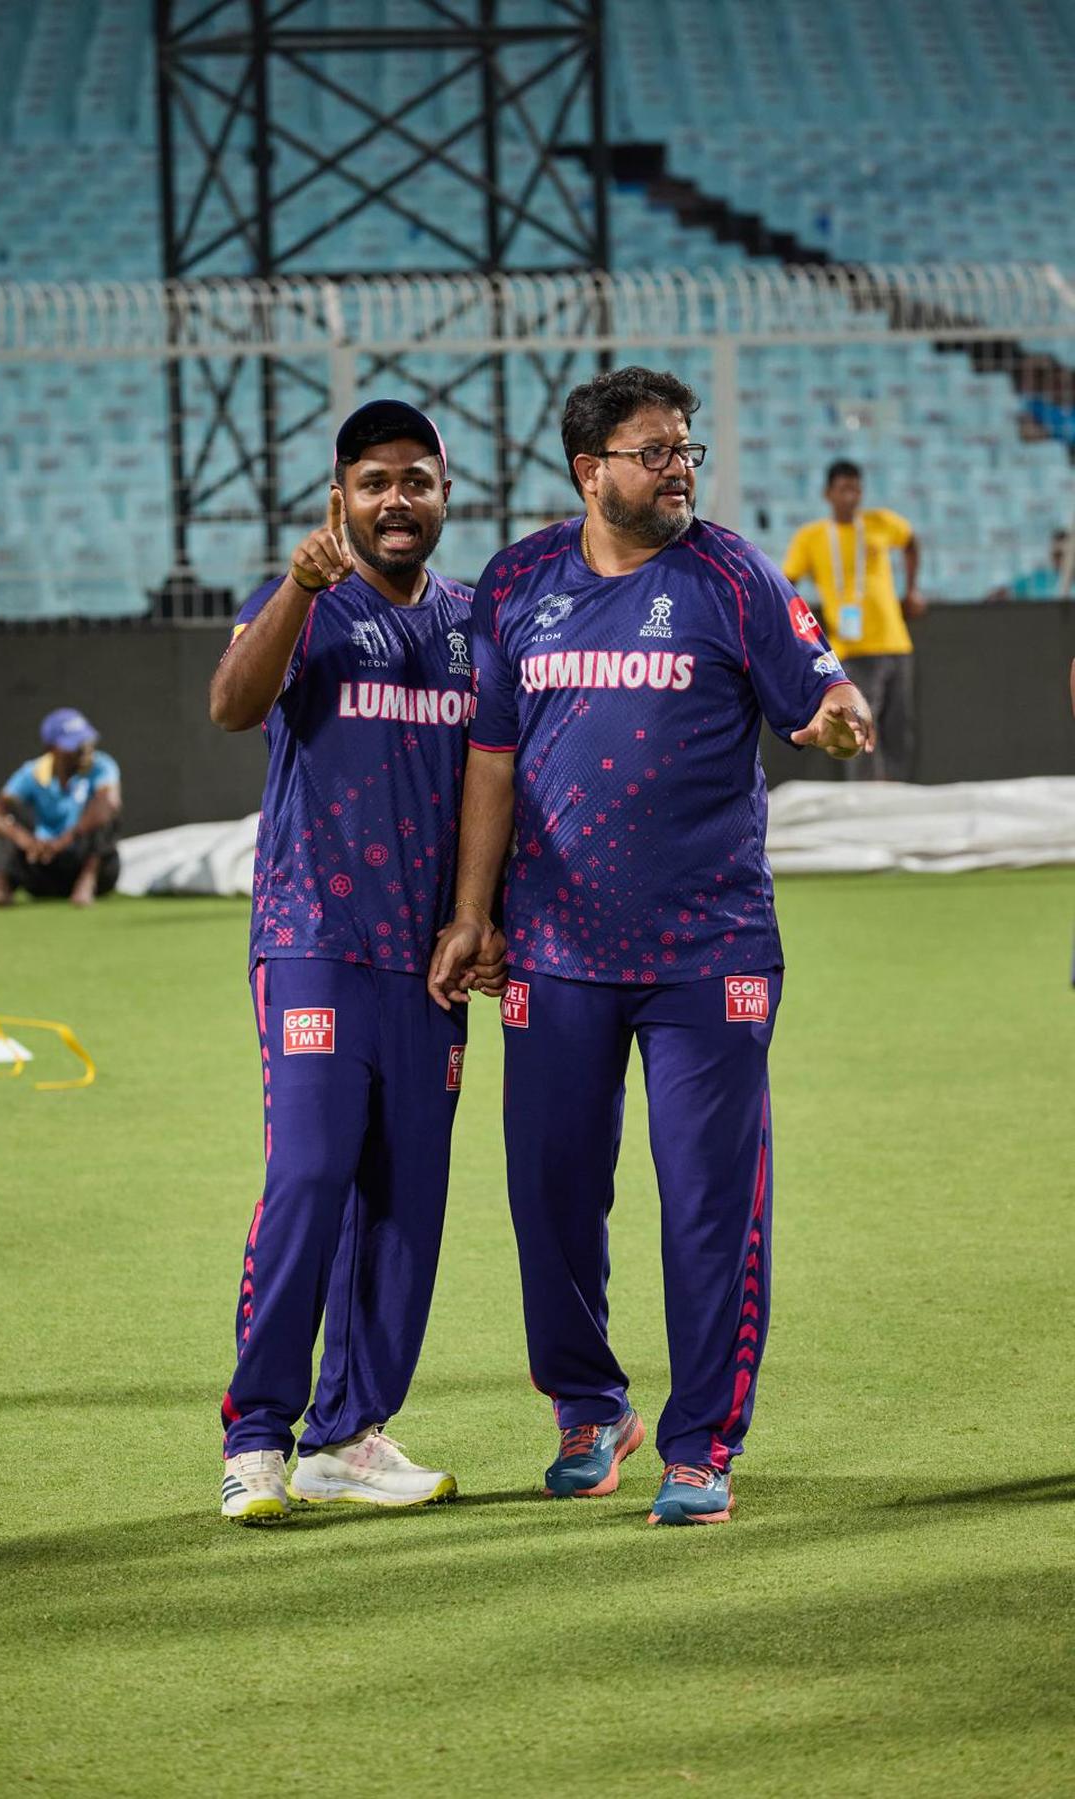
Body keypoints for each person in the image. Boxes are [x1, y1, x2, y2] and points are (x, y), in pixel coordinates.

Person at [428, 366, 873, 1527]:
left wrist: (834, 718)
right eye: (654, 451)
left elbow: (816, 688)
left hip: (707, 952)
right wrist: (473, 913)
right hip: (555, 953)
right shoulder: (519, 581)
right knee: (552, 1196)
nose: (679, 467)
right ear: (591, 471)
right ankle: (590, 1408)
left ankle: (701, 1443)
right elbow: (490, 758)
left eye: (686, 448)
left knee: (708, 1202)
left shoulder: (732, 572)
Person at [208, 399, 506, 1524]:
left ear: (444, 492)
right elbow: (233, 705)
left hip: (427, 959)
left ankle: (349, 1433)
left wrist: (484, 917)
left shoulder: (481, 622)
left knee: (405, 1200)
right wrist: (295, 587)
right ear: (341, 494)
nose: (396, 499)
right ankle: (256, 1436)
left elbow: (502, 779)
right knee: (312, 1171)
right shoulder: (307, 602)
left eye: (416, 480)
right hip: (314, 941)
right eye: (374, 480)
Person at [783, 459, 923, 781]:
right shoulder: (811, 537)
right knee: (857, 728)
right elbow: (787, 584)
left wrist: (912, 590)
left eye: (856, 489)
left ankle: (896, 793)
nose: (851, 496)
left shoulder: (880, 522)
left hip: (895, 641)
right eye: (844, 489)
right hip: (850, 648)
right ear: (828, 494)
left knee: (899, 727)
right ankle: (862, 798)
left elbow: (911, 541)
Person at [0, 708, 121, 907]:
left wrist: (65, 839)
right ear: (51, 749)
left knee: (108, 809)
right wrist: (25, 840)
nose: (83, 748)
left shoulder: (102, 766)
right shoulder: (31, 773)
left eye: (85, 741)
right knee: (2, 821)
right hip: (43, 866)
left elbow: (108, 804)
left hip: (87, 863)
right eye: (73, 744)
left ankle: (86, 883)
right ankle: (2, 887)